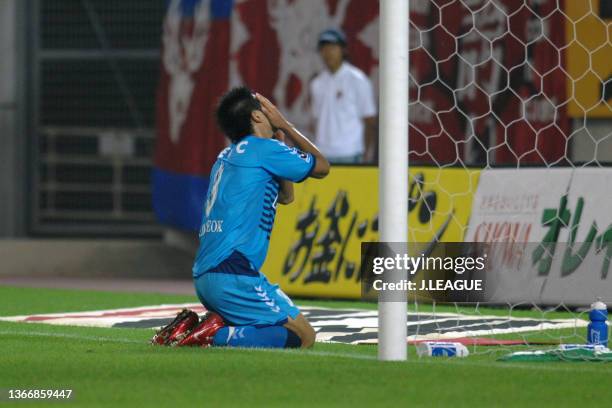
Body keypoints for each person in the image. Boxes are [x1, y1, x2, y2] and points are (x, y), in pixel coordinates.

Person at [152, 87, 330, 349]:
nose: (274, 112)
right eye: (267, 108)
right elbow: (323, 167)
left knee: (303, 335)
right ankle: (212, 335)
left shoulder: (227, 155)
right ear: (258, 117)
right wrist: (286, 125)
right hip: (234, 274)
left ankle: (193, 327)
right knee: (301, 338)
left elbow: (286, 196)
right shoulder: (263, 150)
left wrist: (278, 138)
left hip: (211, 273)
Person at [310, 28, 377, 164]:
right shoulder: (316, 83)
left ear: (343, 50)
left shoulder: (357, 79)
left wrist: (366, 154)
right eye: (324, 48)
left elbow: (369, 120)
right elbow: (316, 120)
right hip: (323, 153)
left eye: (333, 47)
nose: (328, 53)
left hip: (350, 152)